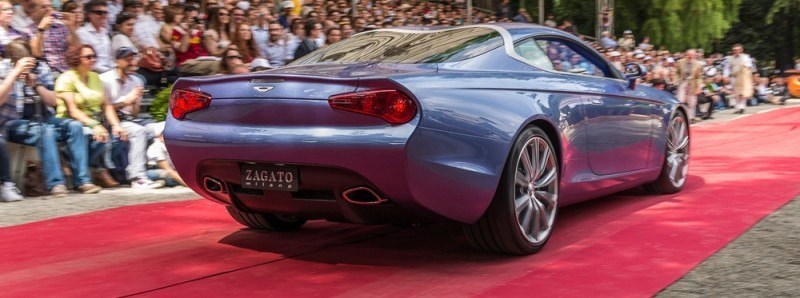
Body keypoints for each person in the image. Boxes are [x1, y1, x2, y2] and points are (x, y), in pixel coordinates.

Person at [1, 41, 102, 196]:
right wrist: (15, 73)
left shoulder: (41, 68)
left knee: (74, 126)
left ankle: (82, 181)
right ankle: (56, 184)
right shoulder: (4, 69)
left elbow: (53, 101)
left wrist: (36, 85)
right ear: (13, 60)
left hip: (44, 117)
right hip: (12, 122)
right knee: (45, 131)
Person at [54, 44, 120, 188]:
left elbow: (106, 105)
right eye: (88, 57)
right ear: (77, 58)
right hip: (71, 121)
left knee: (116, 135)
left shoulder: (95, 77)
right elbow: (72, 110)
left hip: (95, 121)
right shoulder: (66, 78)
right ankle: (84, 179)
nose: (92, 59)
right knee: (94, 134)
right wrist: (94, 125)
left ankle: (77, 166)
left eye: (94, 56)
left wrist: (116, 124)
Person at [99, 47, 164, 189]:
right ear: (116, 61)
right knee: (139, 131)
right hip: (111, 121)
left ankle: (160, 165)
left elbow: (134, 113)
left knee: (163, 127)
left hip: (131, 120)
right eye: (126, 59)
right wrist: (126, 101)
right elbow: (104, 109)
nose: (130, 62)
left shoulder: (136, 80)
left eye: (131, 58)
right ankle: (138, 177)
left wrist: (134, 101)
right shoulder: (105, 79)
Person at [77, 0, 114, 73]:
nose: (103, 16)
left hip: (109, 71)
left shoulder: (105, 33)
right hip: (94, 72)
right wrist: (109, 72)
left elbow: (110, 57)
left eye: (105, 13)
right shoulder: (82, 33)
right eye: (99, 13)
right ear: (89, 15)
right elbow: (87, 60)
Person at [146, 122, 185, 187]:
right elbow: (167, 169)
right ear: (160, 137)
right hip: (154, 171)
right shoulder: (156, 147)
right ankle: (159, 181)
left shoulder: (175, 146)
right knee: (167, 176)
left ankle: (162, 182)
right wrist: (186, 183)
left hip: (171, 171)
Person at [675, 49, 704, 122]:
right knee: (680, 100)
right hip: (683, 82)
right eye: (689, 55)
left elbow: (699, 77)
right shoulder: (680, 62)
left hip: (692, 83)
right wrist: (677, 81)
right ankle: (681, 116)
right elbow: (676, 72)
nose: (690, 56)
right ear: (686, 54)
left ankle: (691, 117)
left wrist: (699, 87)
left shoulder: (698, 64)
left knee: (692, 101)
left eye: (692, 55)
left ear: (694, 55)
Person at [725, 44, 754, 114]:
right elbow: (727, 68)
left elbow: (750, 67)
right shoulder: (730, 58)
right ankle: (738, 108)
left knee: (743, 93)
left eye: (737, 50)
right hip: (734, 77)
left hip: (743, 77)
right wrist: (726, 76)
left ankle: (742, 106)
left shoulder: (745, 57)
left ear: (741, 50)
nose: (736, 51)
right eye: (734, 50)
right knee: (736, 93)